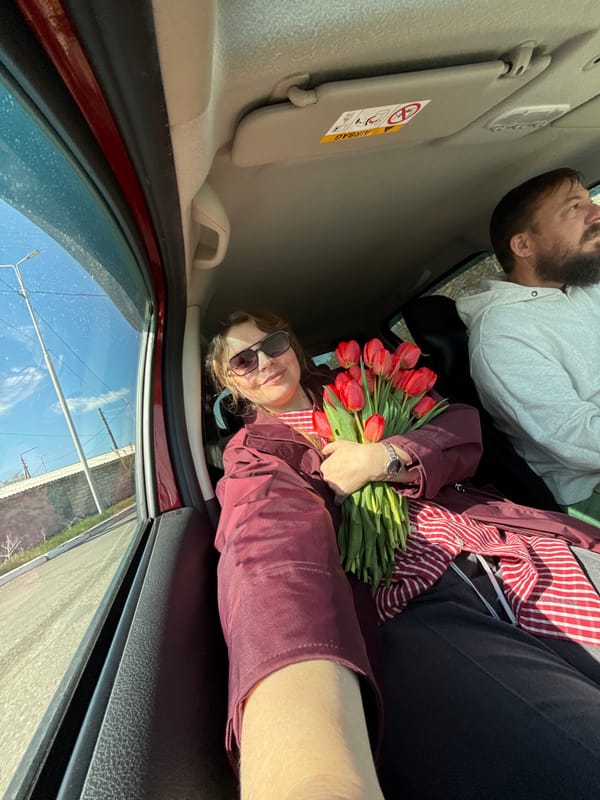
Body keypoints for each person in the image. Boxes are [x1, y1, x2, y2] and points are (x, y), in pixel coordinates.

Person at [207, 309, 600, 800]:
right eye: (244, 360)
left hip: (502, 541)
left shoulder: (364, 383)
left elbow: (457, 423)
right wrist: (304, 755)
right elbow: (268, 545)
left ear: (293, 345)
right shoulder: (253, 457)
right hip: (412, 599)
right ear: (229, 380)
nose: (265, 361)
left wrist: (385, 457)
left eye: (272, 344)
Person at [456, 167, 600, 526]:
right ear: (523, 246)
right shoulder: (502, 335)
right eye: (573, 207)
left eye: (589, 200)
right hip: (589, 488)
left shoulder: (584, 285)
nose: (595, 212)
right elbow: (575, 438)